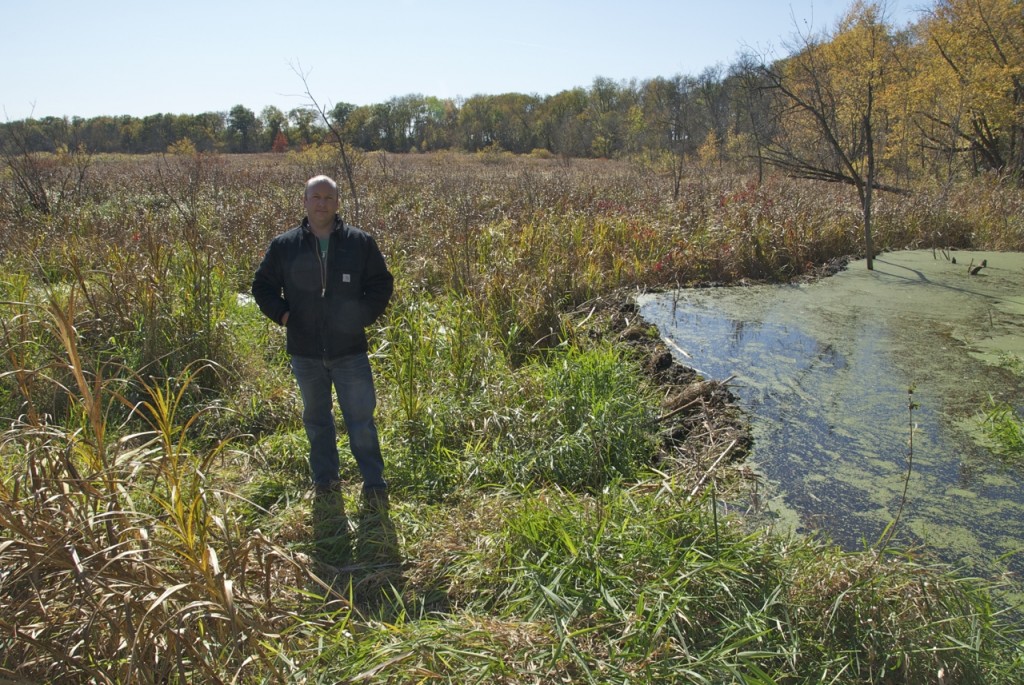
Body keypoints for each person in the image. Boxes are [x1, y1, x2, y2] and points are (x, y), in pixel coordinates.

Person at [252, 175, 393, 501]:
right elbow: (262, 287)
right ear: (304, 201)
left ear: (337, 203)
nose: (321, 203)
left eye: (328, 198)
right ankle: (326, 481)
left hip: (350, 352)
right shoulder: (285, 246)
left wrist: (360, 317)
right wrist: (285, 316)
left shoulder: (359, 243)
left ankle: (374, 485)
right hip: (305, 352)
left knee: (361, 422)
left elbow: (381, 285)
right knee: (317, 420)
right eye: (315, 197)